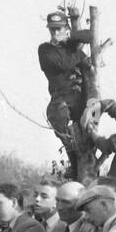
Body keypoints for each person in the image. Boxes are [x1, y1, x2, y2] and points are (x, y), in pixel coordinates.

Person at [37, 8, 96, 136]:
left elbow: (90, 35)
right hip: (61, 99)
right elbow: (64, 64)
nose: (56, 32)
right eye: (53, 29)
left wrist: (70, 35)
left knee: (88, 135)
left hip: (80, 97)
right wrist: (81, 54)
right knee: (68, 137)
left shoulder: (69, 43)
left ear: (65, 28)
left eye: (59, 29)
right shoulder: (45, 50)